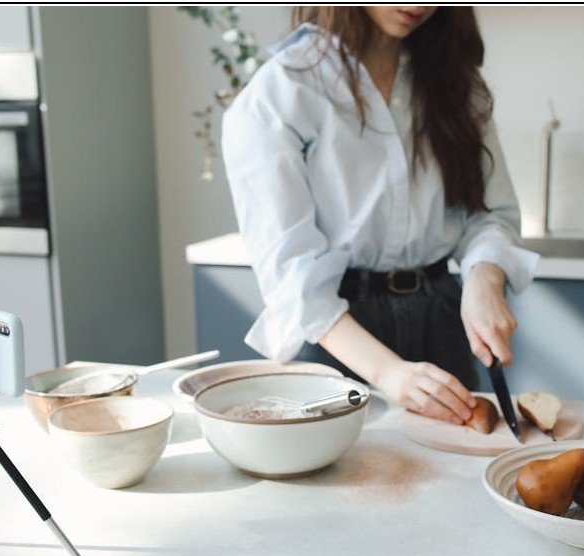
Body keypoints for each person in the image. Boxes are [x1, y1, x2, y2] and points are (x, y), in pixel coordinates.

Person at [221, 6, 539, 425]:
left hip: (441, 319)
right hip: (337, 333)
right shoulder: (283, 91)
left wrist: (484, 278)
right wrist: (386, 371)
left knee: (458, 463)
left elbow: (491, 214)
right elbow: (291, 275)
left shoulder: (454, 81)